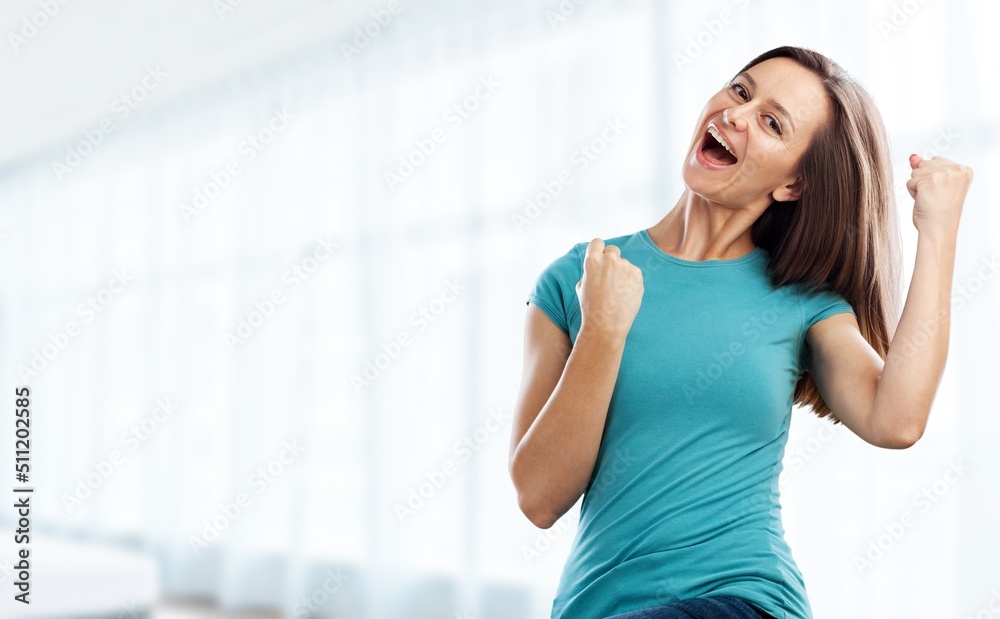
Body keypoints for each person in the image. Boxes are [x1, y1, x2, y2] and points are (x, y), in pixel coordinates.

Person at [508, 45, 974, 619]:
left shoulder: (802, 303)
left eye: (772, 123)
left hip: (743, 600)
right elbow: (538, 497)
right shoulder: (580, 277)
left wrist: (939, 230)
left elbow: (896, 420)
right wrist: (601, 330)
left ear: (792, 186)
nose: (736, 115)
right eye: (741, 91)